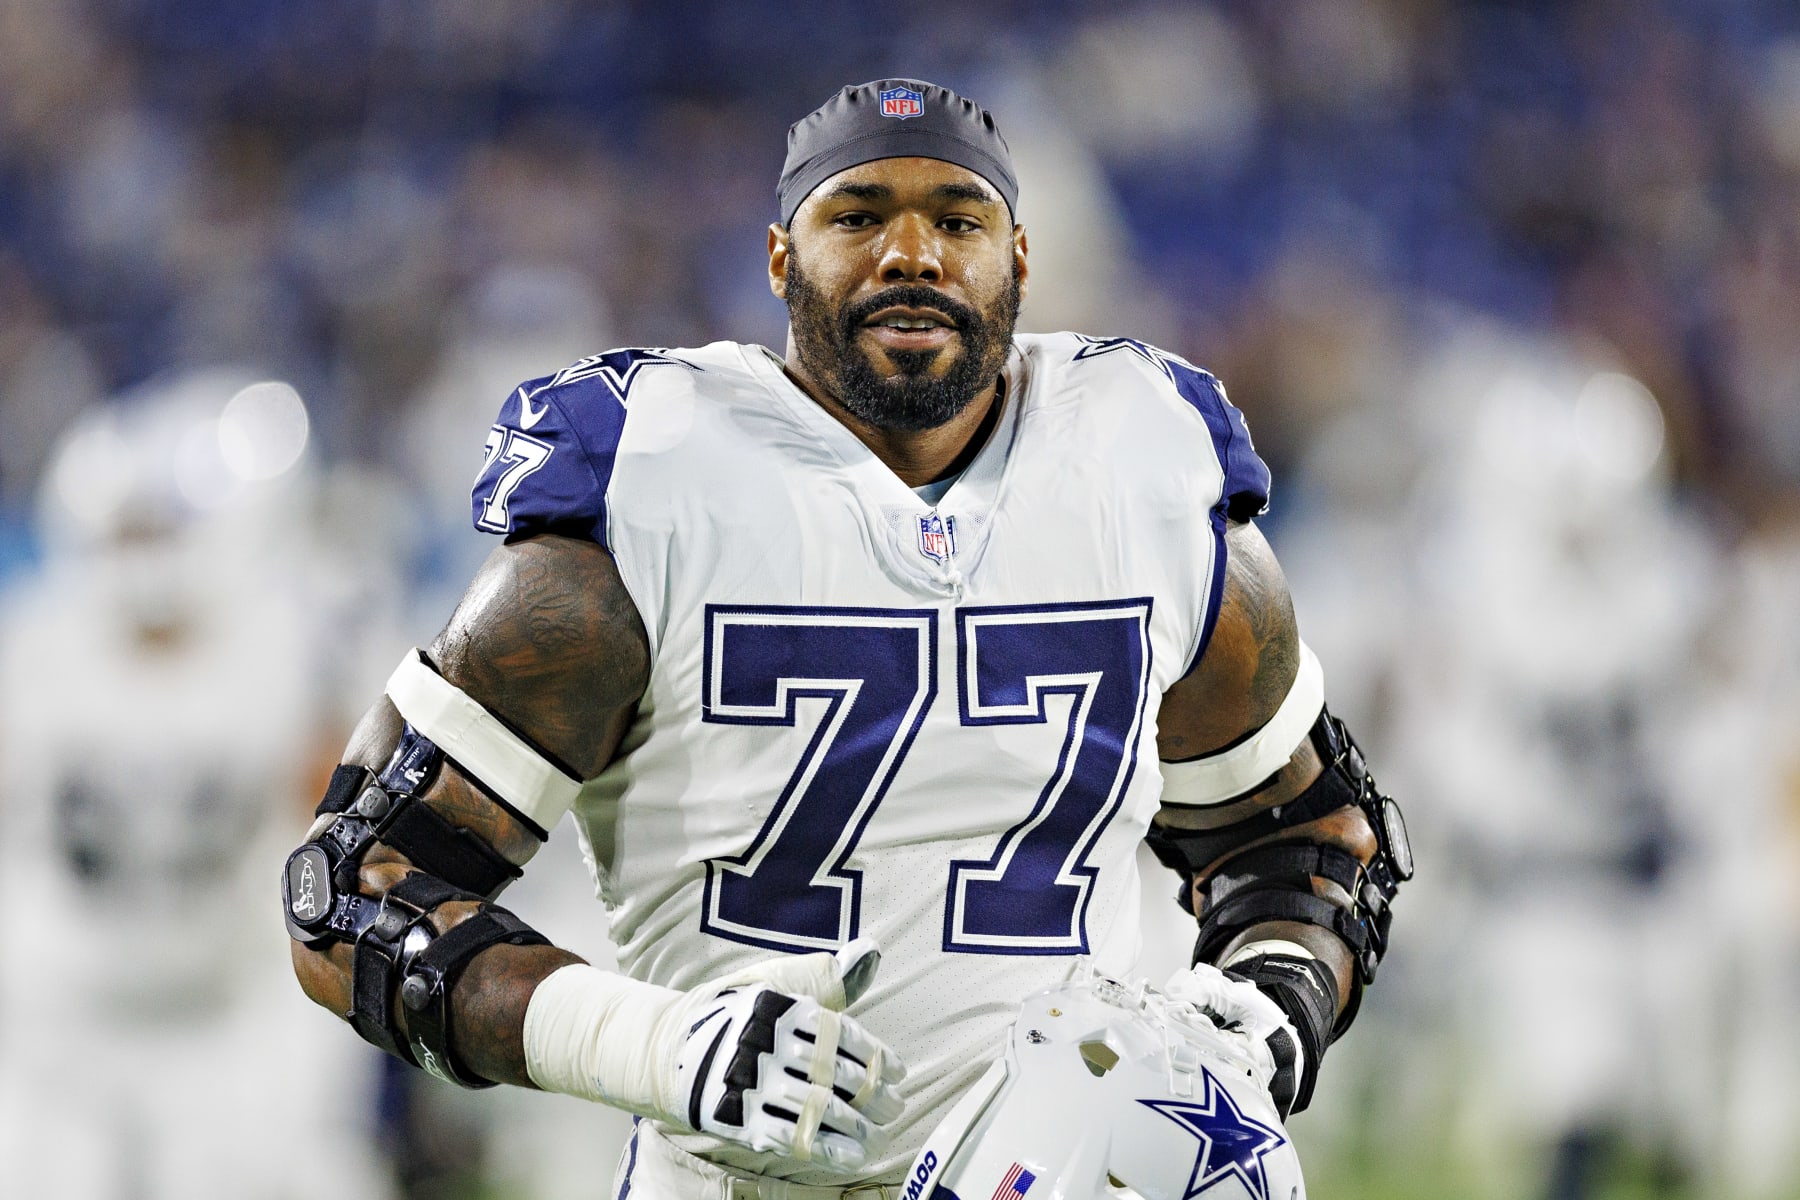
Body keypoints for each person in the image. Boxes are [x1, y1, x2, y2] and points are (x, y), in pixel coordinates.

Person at [284, 78, 1410, 1197]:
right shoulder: (653, 485)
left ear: (1020, 257)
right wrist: (661, 1050)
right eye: (858, 215)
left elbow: (1296, 845)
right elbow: (354, 896)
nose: (911, 253)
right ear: (781, 260)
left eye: (956, 220)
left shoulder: (1139, 463)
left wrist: (1263, 1018)